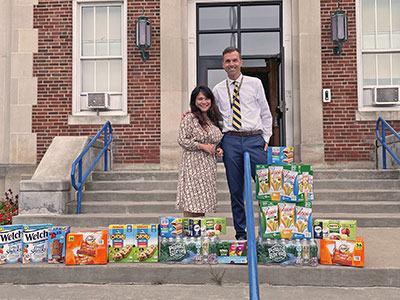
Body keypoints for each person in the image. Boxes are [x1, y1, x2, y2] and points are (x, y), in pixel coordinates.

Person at [212, 46, 273, 240]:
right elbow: (214, 117)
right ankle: (241, 233)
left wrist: (265, 138)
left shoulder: (254, 83)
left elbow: (265, 112)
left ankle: (269, 230)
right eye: (228, 61)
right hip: (231, 139)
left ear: (241, 62)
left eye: (235, 60)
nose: (232, 64)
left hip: (254, 138)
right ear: (223, 64)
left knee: (265, 187)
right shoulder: (218, 89)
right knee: (236, 189)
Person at [176, 86, 223, 218]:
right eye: (200, 99)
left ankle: (198, 234)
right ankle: (188, 234)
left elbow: (214, 140)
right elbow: (181, 140)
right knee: (191, 202)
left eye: (207, 98)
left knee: (202, 203)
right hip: (193, 165)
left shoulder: (212, 119)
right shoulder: (189, 118)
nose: (204, 102)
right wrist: (201, 146)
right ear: (194, 101)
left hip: (208, 167)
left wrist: (217, 149)